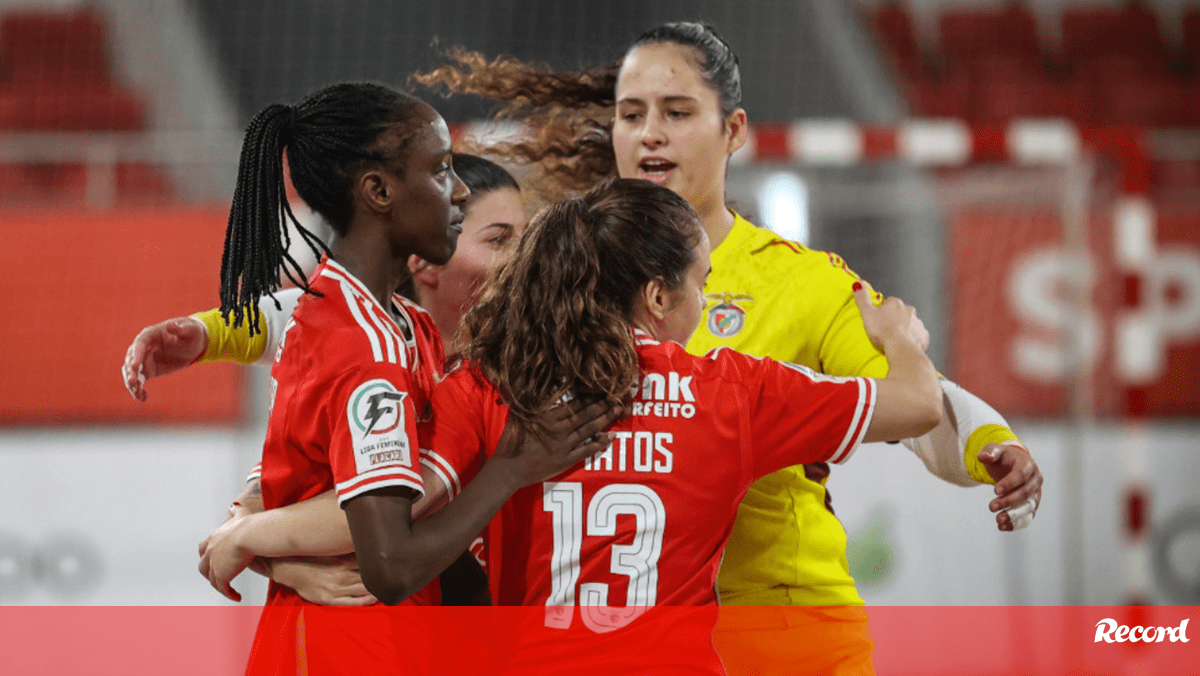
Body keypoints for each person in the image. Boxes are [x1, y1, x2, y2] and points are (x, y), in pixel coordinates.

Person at [409, 21, 1043, 674]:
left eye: (676, 112)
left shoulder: (799, 280)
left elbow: (913, 400)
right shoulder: (560, 262)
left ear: (734, 131)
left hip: (780, 635)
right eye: (631, 115)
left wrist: (989, 444)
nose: (649, 132)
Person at [422, 178, 942, 675]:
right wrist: (898, 336)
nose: (705, 302)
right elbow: (920, 405)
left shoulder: (487, 384)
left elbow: (403, 521)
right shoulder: (729, 392)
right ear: (658, 298)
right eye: (703, 285)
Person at [190, 81, 618, 673]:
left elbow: (309, 488)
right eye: (442, 169)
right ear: (379, 191)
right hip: (351, 650)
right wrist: (512, 471)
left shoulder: (400, 323)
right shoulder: (363, 350)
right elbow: (389, 561)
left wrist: (257, 542)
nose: (461, 189)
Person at [121, 152, 529, 606]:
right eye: (500, 240)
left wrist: (257, 543)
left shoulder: (494, 373)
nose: (525, 259)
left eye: (528, 240)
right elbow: (302, 314)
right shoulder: (379, 352)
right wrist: (206, 333)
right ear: (427, 257)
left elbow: (382, 513)